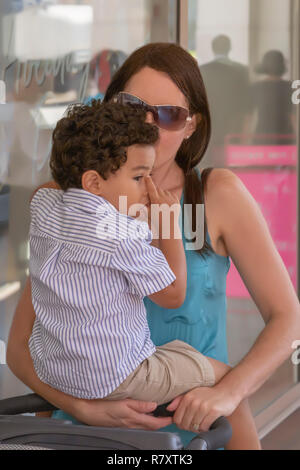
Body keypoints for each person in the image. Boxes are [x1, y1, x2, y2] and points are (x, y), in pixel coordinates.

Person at [7, 43, 300, 450]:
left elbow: (288, 317)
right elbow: (22, 346)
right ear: (110, 106)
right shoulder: (72, 202)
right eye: (132, 106)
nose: (148, 124)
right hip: (83, 431)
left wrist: (228, 392)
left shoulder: (216, 194)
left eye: (169, 115)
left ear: (191, 126)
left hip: (196, 430)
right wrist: (83, 406)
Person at [27, 100, 259, 449]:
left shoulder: (45, 206)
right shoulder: (118, 233)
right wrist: (167, 226)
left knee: (179, 351)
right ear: (93, 182)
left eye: (172, 114)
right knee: (228, 381)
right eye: (138, 177)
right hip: (116, 376)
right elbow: (173, 294)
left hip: (57, 372)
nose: (147, 187)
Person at [200, 35, 251, 165]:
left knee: (207, 164)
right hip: (233, 126)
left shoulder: (202, 70)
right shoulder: (241, 71)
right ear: (230, 48)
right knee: (229, 165)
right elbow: (245, 105)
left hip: (207, 125)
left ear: (213, 48)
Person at [249, 50, 296, 145]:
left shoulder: (255, 87)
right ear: (282, 65)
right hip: (285, 135)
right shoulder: (291, 87)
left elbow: (249, 116)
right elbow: (293, 116)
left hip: (262, 134)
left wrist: (245, 139)